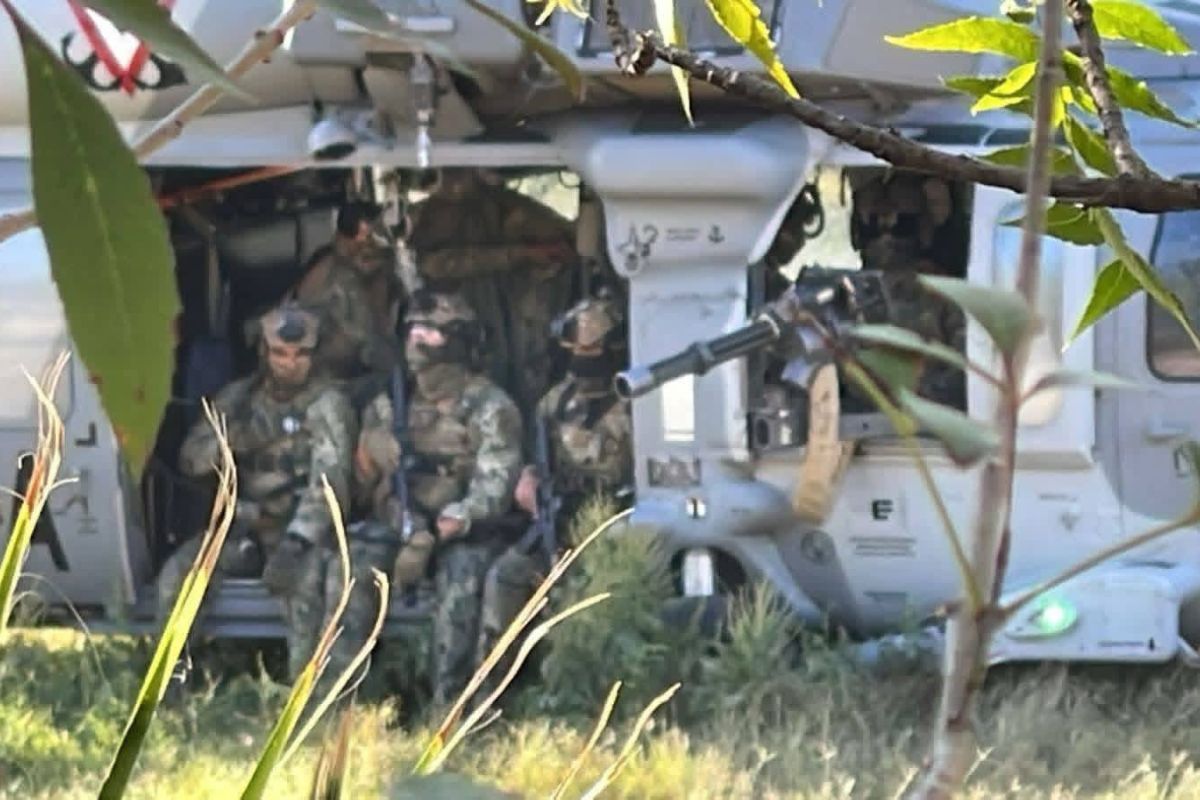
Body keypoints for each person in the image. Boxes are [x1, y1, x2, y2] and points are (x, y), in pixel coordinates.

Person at [157, 303, 358, 682]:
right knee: (179, 576)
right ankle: (170, 685)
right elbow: (190, 459)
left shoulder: (329, 403)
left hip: (301, 537)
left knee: (307, 597)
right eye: (280, 353)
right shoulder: (238, 398)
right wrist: (234, 442)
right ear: (264, 353)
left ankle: (308, 702)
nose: (290, 363)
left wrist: (296, 543)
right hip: (244, 531)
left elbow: (331, 482)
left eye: (300, 355)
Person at [354, 289, 525, 706]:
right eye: (413, 330)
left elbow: (494, 488)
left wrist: (435, 531)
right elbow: (361, 488)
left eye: (430, 333)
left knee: (462, 586)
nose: (417, 342)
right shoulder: (389, 404)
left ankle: (454, 710)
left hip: (464, 533)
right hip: (399, 523)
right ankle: (337, 705)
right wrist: (368, 449)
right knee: (348, 572)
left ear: (459, 341)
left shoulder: (489, 405)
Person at [475, 289, 634, 676]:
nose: (583, 363)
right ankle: (491, 690)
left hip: (616, 521)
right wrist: (528, 479)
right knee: (505, 576)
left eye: (592, 353)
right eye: (576, 351)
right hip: (558, 515)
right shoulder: (555, 401)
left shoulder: (636, 402)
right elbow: (534, 457)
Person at [405, 168, 578, 444]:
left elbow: (562, 236)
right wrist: (522, 254)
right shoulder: (425, 217)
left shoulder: (500, 208)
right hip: (457, 328)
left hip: (502, 314)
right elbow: (436, 264)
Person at [849, 170, 967, 407]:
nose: (885, 236)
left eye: (901, 224)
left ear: (923, 228)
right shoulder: (843, 292)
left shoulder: (946, 295)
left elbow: (965, 375)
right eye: (872, 223)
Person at [292, 200, 405, 403]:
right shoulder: (327, 271)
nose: (377, 241)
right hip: (331, 380)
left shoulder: (371, 266)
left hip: (363, 367)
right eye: (372, 235)